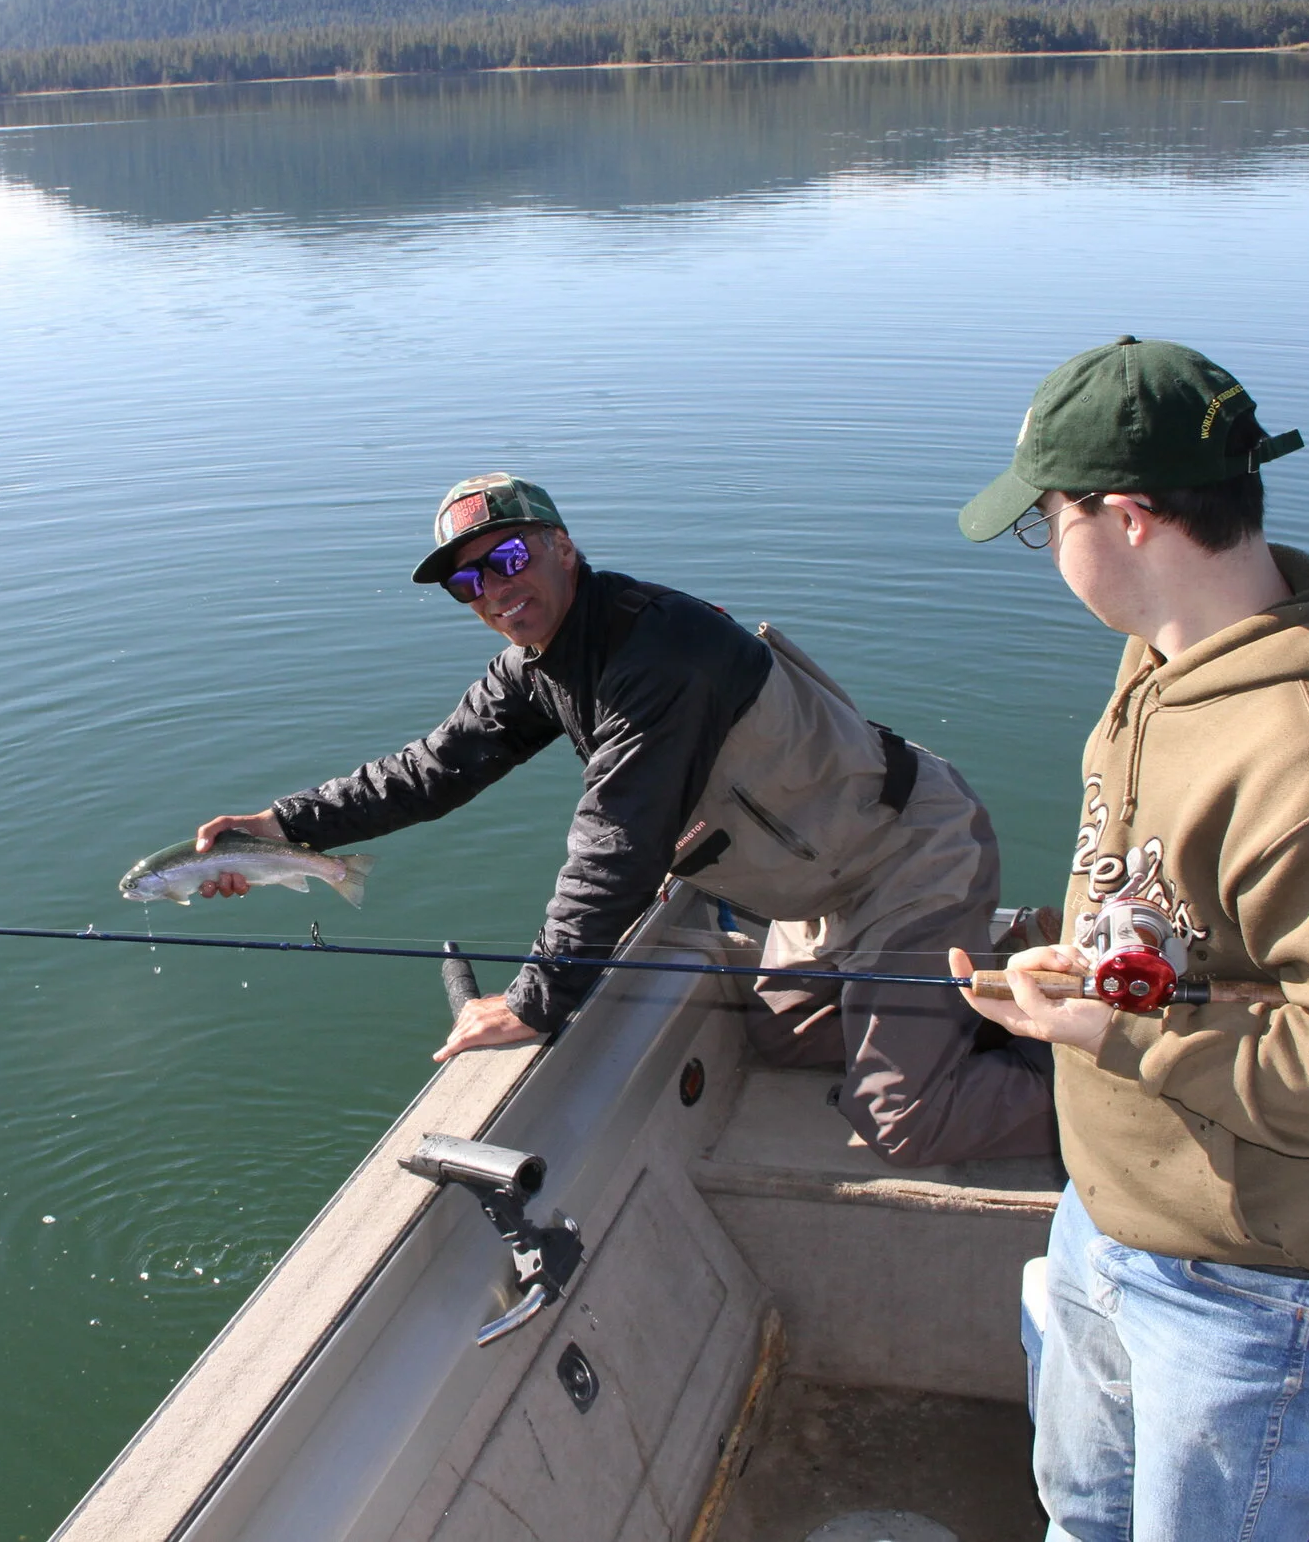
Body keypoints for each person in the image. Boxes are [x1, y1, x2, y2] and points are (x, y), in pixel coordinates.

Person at [950, 338, 1309, 1540]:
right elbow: (1181, 916)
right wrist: (1071, 961)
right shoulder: (1156, 668)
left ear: (1126, 517)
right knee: (1080, 1514)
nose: (1049, 552)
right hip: (1107, 1212)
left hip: (1251, 1280)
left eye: (1045, 521)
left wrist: (1121, 1034)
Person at [194, 472, 1056, 1166]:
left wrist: (537, 1001)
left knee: (901, 1121)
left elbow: (617, 844)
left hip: (906, 857)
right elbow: (430, 771)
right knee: (775, 1034)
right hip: (817, 892)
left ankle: (1121, 1100)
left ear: (563, 547)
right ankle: (981, 988)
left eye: (509, 558)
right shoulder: (537, 665)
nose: (494, 590)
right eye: (468, 582)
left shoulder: (659, 653)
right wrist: (283, 825)